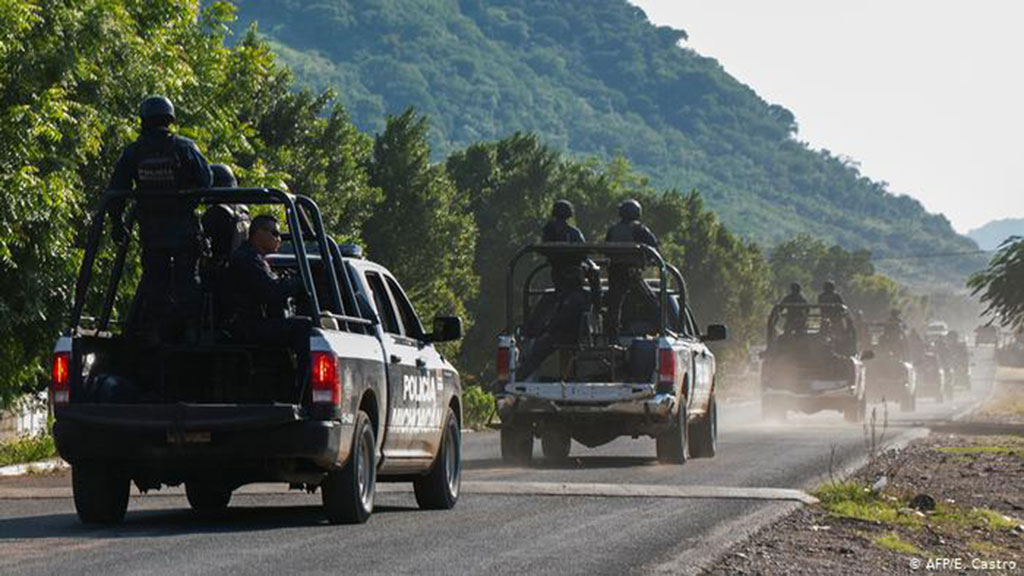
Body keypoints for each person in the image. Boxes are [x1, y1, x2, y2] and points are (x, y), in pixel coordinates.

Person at [109, 96, 212, 340]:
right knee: (188, 278)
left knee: (155, 278)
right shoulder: (185, 147)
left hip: (152, 230)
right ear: (170, 120)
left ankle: (155, 330)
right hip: (184, 228)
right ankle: (190, 329)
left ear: (143, 121)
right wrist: (188, 200)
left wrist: (117, 223)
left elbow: (116, 190)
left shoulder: (133, 152)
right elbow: (206, 181)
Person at [225, 214, 310, 375]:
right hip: (244, 325)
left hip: (250, 322)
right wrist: (296, 282)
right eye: (275, 234)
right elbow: (271, 291)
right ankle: (304, 385)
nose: (279, 239)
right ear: (259, 233)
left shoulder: (254, 258)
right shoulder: (248, 259)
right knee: (303, 327)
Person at [518, 201, 590, 379]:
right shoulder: (574, 233)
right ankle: (564, 378)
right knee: (558, 340)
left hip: (558, 285)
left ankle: (523, 373)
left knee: (546, 342)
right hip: (563, 325)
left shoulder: (549, 231)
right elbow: (583, 252)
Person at [604, 199, 659, 336]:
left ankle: (612, 335)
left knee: (614, 305)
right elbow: (654, 247)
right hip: (631, 274)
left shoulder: (613, 229)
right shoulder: (639, 229)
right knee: (652, 302)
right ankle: (661, 329)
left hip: (615, 272)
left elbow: (606, 249)